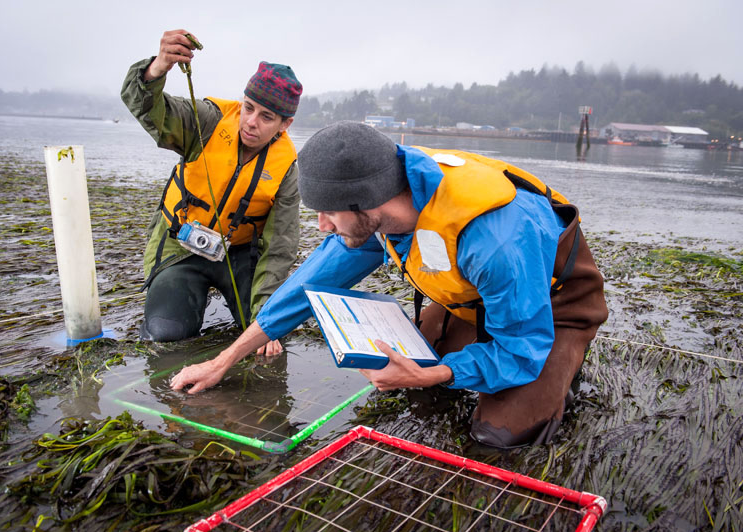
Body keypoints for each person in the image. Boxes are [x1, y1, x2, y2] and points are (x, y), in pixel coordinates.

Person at [171, 121, 609, 449]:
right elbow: (309, 285)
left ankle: (565, 364)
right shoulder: (382, 210)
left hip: (553, 307)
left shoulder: (492, 240)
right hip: (469, 298)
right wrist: (224, 359)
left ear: (366, 202)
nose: (321, 225)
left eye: (327, 212)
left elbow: (520, 349)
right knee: (422, 387)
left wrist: (435, 373)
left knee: (497, 434)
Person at [121, 29, 303, 350]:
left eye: (266, 116)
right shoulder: (208, 120)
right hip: (182, 248)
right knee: (164, 337)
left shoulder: (286, 168)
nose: (250, 122)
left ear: (284, 124)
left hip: (239, 256)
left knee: (268, 335)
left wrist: (264, 320)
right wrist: (157, 69)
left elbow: (279, 250)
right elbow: (152, 112)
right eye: (248, 108)